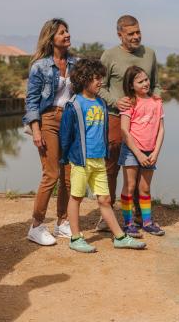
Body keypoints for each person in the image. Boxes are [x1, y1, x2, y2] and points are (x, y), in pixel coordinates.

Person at [59, 59, 146, 253]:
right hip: (81, 161)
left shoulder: (100, 102)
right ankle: (75, 238)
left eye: (101, 78)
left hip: (99, 159)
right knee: (76, 197)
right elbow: (65, 135)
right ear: (84, 79)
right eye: (97, 79)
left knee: (105, 200)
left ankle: (120, 237)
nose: (100, 82)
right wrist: (65, 157)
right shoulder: (74, 105)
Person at [98, 15, 162, 231]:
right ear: (120, 35)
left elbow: (157, 85)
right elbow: (98, 86)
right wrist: (115, 101)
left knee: (141, 166)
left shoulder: (150, 54)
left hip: (145, 122)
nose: (136, 37)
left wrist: (155, 105)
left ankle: (138, 217)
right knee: (112, 167)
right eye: (131, 33)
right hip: (117, 118)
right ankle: (106, 215)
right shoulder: (109, 55)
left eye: (138, 32)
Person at [23, 18, 76, 246]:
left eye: (67, 31)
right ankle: (36, 226)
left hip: (70, 120)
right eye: (62, 32)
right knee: (51, 174)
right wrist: (36, 130)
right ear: (51, 37)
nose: (67, 35)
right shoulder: (40, 66)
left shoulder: (76, 63)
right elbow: (32, 101)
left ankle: (62, 222)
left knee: (68, 176)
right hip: (48, 120)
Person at [118, 66, 165, 238]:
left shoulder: (156, 101)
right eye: (140, 81)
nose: (145, 83)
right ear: (131, 85)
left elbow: (161, 130)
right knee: (129, 187)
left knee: (144, 188)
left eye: (146, 79)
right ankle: (128, 223)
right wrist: (138, 153)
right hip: (132, 151)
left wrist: (155, 152)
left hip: (150, 151)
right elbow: (124, 131)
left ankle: (146, 222)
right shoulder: (128, 102)